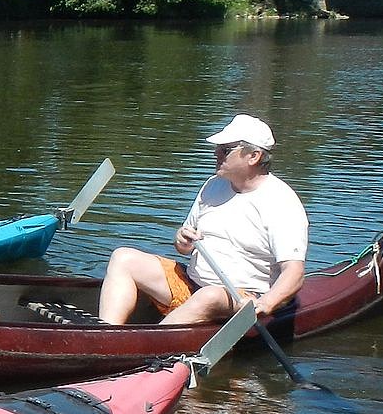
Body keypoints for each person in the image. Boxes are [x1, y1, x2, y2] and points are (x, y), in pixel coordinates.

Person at [97, 114, 308, 325]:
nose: (216, 154)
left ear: (253, 156)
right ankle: (106, 333)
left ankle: (147, 343)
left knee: (210, 296)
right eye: (218, 149)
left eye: (225, 150)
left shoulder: (281, 202)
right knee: (122, 257)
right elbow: (184, 246)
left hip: (241, 297)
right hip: (192, 284)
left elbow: (294, 273)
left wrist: (266, 304)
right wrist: (182, 240)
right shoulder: (213, 185)